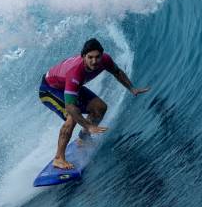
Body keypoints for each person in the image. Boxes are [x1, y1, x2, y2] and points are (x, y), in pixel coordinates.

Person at [39, 38, 150, 169]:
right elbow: (70, 106)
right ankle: (58, 159)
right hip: (50, 89)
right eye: (90, 57)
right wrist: (88, 125)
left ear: (102, 55)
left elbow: (117, 72)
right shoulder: (75, 72)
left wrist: (132, 88)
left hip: (69, 86)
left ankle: (83, 139)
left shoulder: (105, 60)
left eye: (97, 57)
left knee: (100, 107)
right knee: (72, 117)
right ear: (83, 56)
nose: (94, 61)